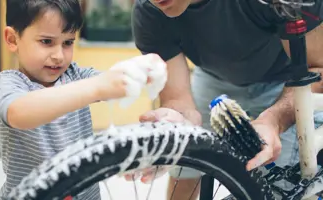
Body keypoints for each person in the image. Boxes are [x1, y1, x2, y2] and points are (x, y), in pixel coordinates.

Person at [131, 0, 323, 199]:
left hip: (285, 80)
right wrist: (174, 120)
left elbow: (318, 69)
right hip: (213, 78)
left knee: (277, 184)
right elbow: (178, 100)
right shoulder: (150, 11)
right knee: (184, 166)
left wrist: (273, 121)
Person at [0, 0, 167, 199]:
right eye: (46, 42)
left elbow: (113, 81)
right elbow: (18, 113)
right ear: (12, 39)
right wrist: (96, 87)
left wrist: (143, 71)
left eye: (68, 42)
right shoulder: (9, 83)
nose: (58, 56)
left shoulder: (76, 76)